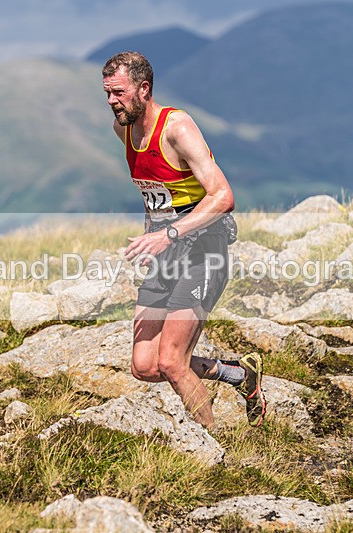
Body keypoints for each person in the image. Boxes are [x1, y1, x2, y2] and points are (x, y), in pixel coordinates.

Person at [102, 51, 266, 429]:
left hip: (205, 253)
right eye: (108, 93)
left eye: (119, 93)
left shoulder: (177, 128)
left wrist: (170, 233)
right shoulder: (123, 130)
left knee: (172, 362)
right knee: (144, 366)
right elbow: (156, 193)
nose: (112, 102)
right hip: (165, 256)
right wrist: (152, 238)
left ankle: (211, 454)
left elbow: (224, 196)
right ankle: (239, 375)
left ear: (144, 89)